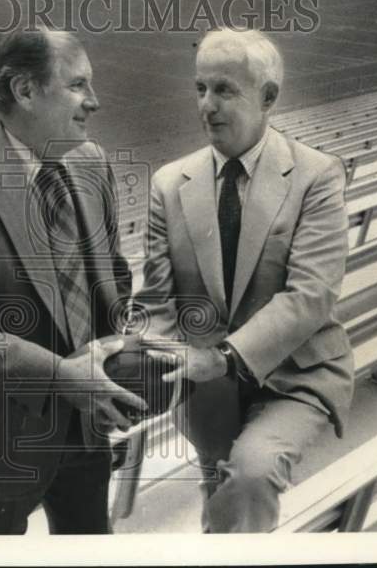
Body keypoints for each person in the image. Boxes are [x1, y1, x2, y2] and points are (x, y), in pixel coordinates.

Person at [0, 26, 146, 534]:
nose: (95, 101)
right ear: (23, 91)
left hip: (88, 427)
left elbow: (113, 275)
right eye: (78, 85)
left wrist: (114, 363)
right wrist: (64, 378)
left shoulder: (92, 162)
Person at [135, 28, 354, 532]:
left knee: (252, 473)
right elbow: (157, 305)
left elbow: (312, 294)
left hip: (294, 379)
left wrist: (225, 358)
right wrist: (141, 358)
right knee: (221, 484)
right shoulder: (170, 183)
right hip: (205, 389)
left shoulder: (316, 176)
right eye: (200, 88)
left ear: (269, 97)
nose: (206, 105)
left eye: (225, 90)